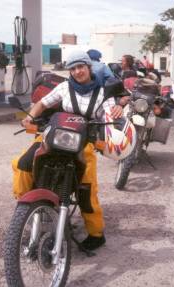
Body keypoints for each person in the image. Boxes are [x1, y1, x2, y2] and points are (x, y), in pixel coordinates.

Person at [12, 50, 123, 251]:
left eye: (81, 66)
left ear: (89, 67)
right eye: (73, 68)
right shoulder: (64, 87)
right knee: (23, 164)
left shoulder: (102, 92)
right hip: (54, 134)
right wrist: (30, 117)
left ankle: (96, 233)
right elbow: (42, 103)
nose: (77, 71)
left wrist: (117, 111)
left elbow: (109, 114)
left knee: (87, 187)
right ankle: (25, 209)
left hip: (84, 140)